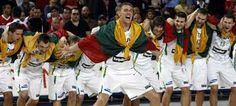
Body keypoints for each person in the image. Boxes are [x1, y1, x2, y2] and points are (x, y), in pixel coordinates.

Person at [60, 2, 161, 106]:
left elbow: (145, 43)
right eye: (125, 10)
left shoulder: (136, 30)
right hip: (111, 72)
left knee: (155, 98)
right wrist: (70, 49)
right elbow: (89, 41)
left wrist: (157, 53)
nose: (129, 12)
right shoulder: (109, 29)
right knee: (102, 101)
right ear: (119, 13)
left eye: (131, 10)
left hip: (129, 71)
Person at [123, 16, 165, 106]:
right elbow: (145, 23)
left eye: (161, 29)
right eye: (157, 27)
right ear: (153, 26)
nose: (159, 30)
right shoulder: (145, 31)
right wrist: (148, 21)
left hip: (148, 69)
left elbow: (157, 54)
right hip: (135, 67)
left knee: (159, 91)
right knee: (131, 96)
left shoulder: (157, 41)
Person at [16, 33, 57, 106]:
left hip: (36, 75)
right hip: (23, 71)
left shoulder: (51, 47)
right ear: (37, 43)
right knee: (23, 95)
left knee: (35, 100)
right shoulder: (29, 44)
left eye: (46, 47)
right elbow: (25, 35)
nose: (44, 49)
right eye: (41, 46)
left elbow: (58, 36)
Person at [185, 8, 214, 106]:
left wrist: (208, 19)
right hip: (188, 59)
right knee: (186, 88)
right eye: (198, 18)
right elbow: (185, 25)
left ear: (206, 19)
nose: (200, 21)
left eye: (203, 19)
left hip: (201, 60)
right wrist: (194, 13)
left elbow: (218, 26)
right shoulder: (190, 25)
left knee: (200, 89)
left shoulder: (209, 27)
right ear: (195, 16)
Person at [161, 12, 191, 106]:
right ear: (174, 20)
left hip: (178, 65)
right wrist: (168, 19)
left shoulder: (186, 32)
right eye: (177, 21)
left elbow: (190, 19)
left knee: (186, 89)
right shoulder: (169, 28)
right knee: (169, 89)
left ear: (185, 23)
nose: (179, 23)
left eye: (182, 22)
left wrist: (197, 11)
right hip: (166, 64)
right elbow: (165, 21)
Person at [208, 11, 236, 106]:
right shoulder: (214, 28)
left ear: (233, 24)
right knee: (214, 88)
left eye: (229, 23)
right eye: (225, 22)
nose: (227, 25)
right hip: (212, 61)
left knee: (235, 88)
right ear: (222, 21)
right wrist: (217, 24)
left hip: (226, 63)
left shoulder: (233, 34)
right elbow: (207, 17)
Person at [48, 34, 82, 106]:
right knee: (57, 98)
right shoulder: (59, 46)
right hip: (56, 72)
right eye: (73, 46)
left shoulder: (78, 50)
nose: (75, 48)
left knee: (73, 93)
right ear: (68, 44)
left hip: (69, 71)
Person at [0, 22, 25, 106]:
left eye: (20, 34)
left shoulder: (21, 40)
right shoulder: (1, 34)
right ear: (10, 33)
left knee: (9, 95)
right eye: (17, 34)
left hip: (4, 68)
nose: (19, 36)